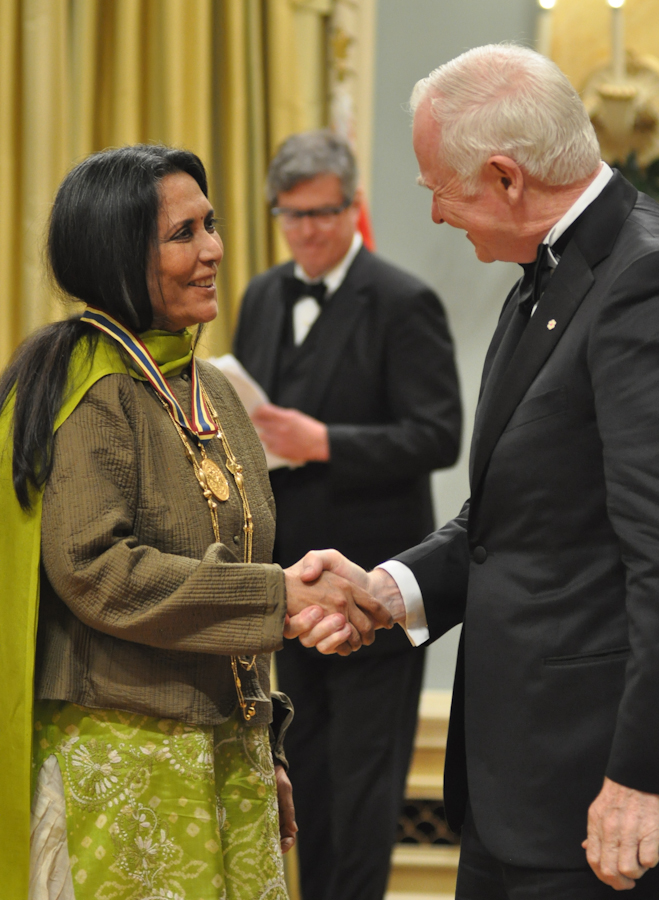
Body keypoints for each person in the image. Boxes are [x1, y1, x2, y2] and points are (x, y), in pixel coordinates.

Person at [303, 44, 659, 899]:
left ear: (505, 177)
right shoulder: (547, 276)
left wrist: (642, 776)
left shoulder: (654, 281)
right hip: (519, 785)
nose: (439, 215)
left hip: (598, 792)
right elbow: (517, 518)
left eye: (435, 188)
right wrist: (390, 591)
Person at [0, 144, 389, 899]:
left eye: (210, 225)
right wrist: (281, 598)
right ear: (116, 251)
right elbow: (97, 572)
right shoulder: (91, 388)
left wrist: (261, 740)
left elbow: (230, 568)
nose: (214, 249)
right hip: (121, 761)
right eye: (184, 234)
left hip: (225, 750)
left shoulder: (211, 389)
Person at [233, 130, 461, 900]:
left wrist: (323, 441)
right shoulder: (263, 293)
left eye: (324, 213)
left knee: (364, 796)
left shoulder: (403, 299)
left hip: (371, 591)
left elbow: (439, 434)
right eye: (292, 216)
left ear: (353, 205)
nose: (308, 231)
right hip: (287, 588)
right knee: (305, 788)